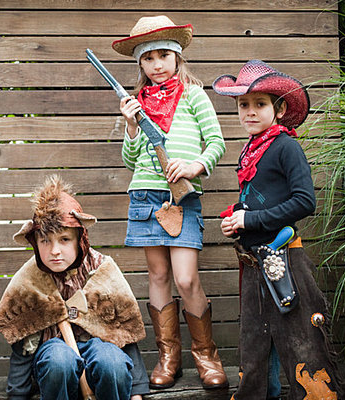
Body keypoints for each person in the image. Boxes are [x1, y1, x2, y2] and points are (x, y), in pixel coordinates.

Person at [213, 60, 342, 399]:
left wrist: (251, 220)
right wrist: (237, 218)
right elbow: (261, 201)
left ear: (280, 108)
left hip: (285, 259)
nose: (250, 112)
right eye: (244, 105)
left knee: (303, 342)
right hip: (254, 262)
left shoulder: (286, 146)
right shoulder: (251, 149)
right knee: (254, 346)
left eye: (260, 104)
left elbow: (304, 202)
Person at [111, 15, 228, 389]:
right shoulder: (137, 103)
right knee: (159, 276)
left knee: (186, 277)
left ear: (178, 56)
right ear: (140, 64)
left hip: (183, 196)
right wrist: (131, 126)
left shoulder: (194, 95)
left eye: (164, 55)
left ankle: (206, 357)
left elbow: (217, 144)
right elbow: (131, 161)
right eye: (148, 58)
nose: (157, 64)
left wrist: (195, 165)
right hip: (145, 195)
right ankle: (168, 357)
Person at [0, 175, 149, 400]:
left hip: (99, 350)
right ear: (35, 243)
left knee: (111, 361)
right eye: (45, 241)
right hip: (53, 361)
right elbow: (22, 340)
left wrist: (137, 393)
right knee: (59, 360)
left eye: (64, 240)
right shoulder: (30, 277)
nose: (54, 250)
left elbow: (123, 330)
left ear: (80, 240)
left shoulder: (101, 270)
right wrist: (17, 395)